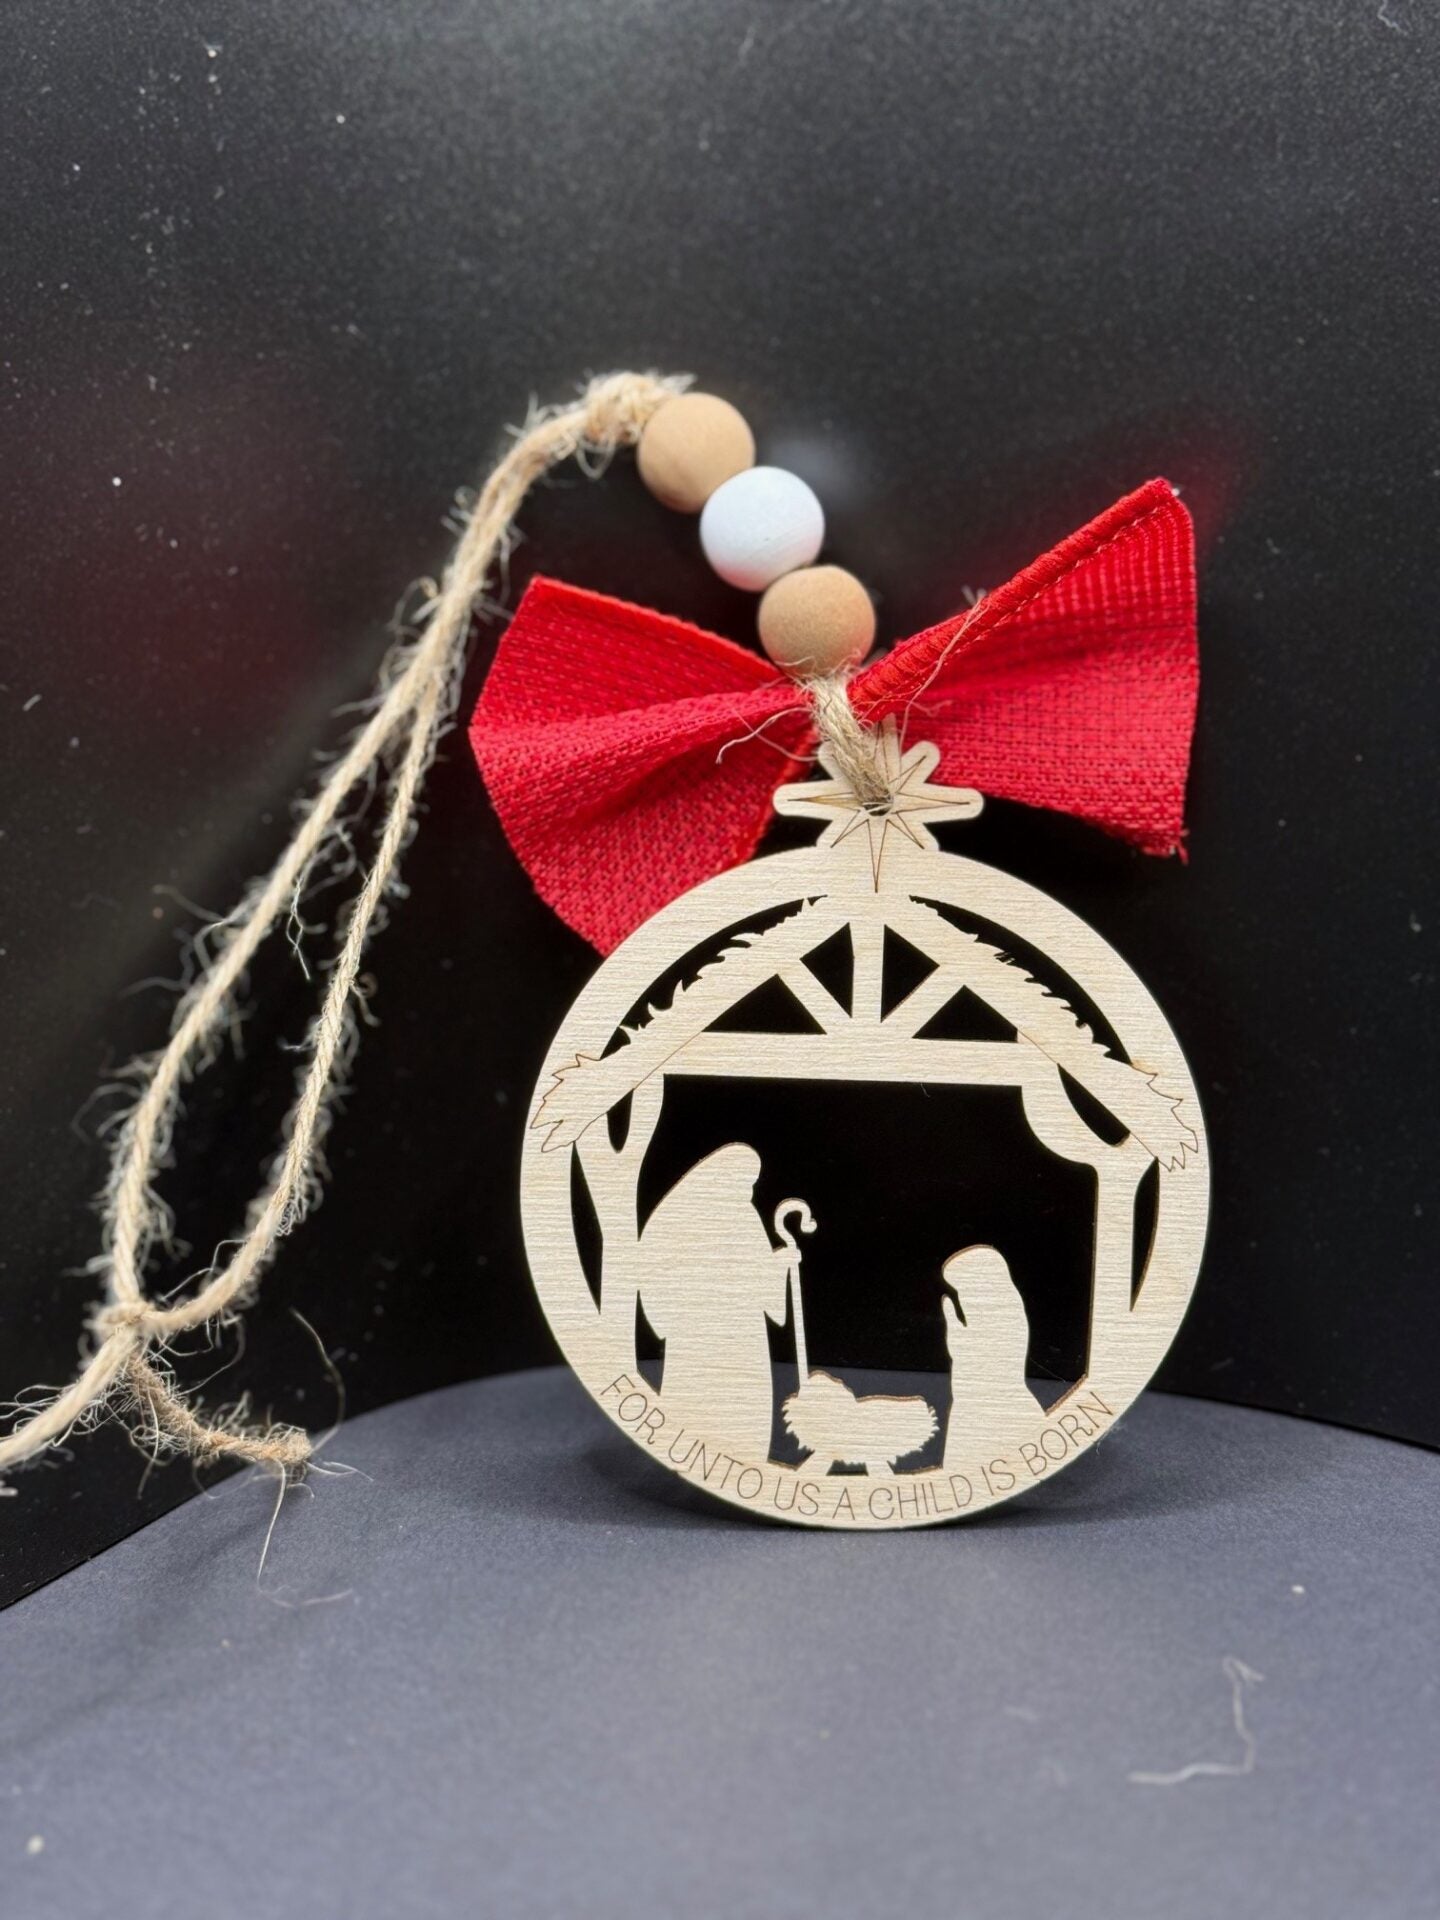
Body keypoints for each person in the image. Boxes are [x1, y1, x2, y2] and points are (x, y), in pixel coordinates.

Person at [637, 1144, 792, 1464]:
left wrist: (781, 1262)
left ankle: (744, 1458)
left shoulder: (744, 1214)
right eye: (743, 1181)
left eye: (750, 1183)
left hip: (741, 1333)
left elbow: (756, 1270)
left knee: (742, 1398)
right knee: (700, 1392)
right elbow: (654, 1269)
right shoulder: (681, 1217)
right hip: (701, 1332)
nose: (747, 1190)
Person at [941, 1245, 1043, 1471]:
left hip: (998, 1409)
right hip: (970, 1413)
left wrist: (963, 1346)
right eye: (961, 1291)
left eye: (966, 1288)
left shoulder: (1007, 1320)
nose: (964, 1298)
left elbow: (998, 1367)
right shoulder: (992, 1319)